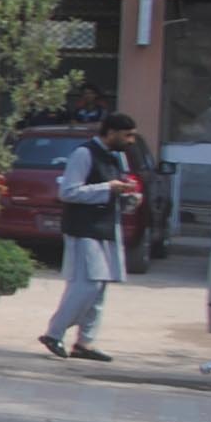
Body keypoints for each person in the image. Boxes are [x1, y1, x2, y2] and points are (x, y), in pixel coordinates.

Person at [40, 111, 142, 364]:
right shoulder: (84, 154)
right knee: (87, 284)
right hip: (84, 229)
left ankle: (85, 342)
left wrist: (129, 197)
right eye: (127, 135)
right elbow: (69, 191)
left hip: (106, 228)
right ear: (111, 132)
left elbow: (117, 190)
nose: (131, 141)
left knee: (100, 287)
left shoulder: (117, 157)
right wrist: (107, 188)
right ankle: (54, 333)